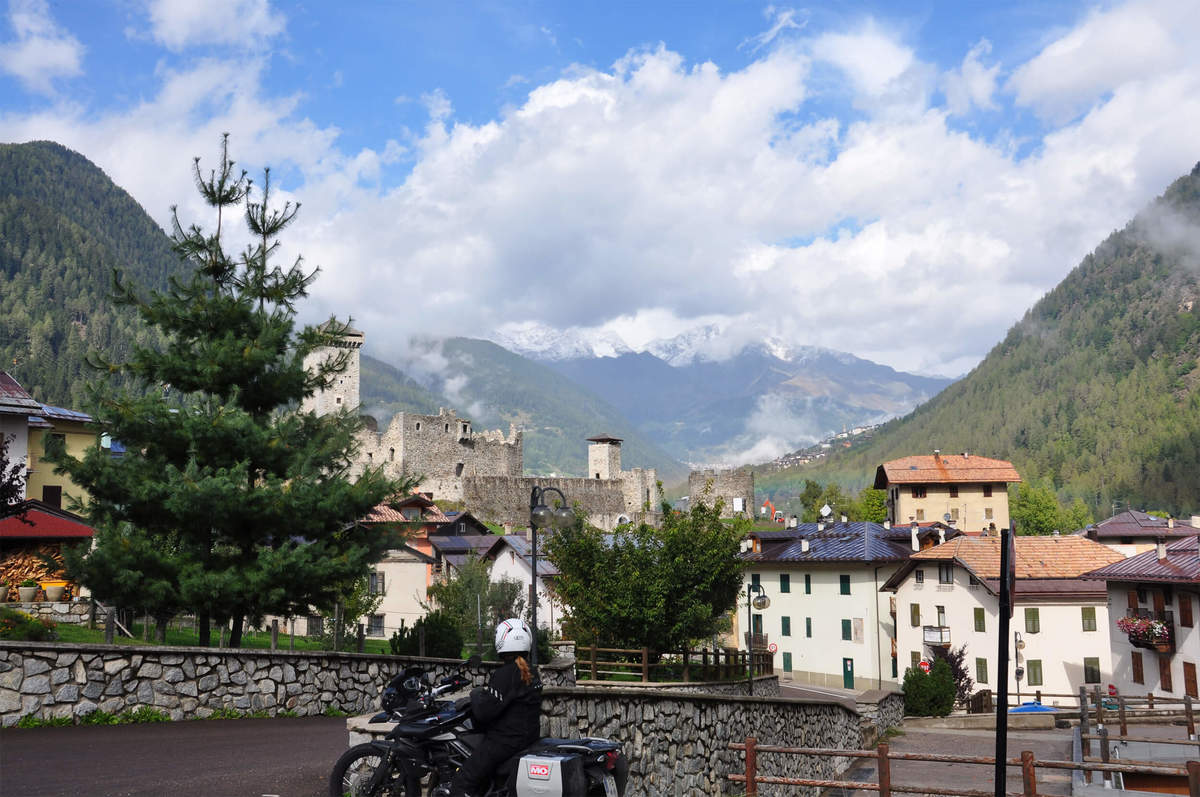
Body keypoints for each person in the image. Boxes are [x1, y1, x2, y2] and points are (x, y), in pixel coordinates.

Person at [447, 618, 543, 797]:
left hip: (506, 740)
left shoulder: (505, 674)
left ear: (502, 640)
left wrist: (475, 694)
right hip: (528, 737)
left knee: (462, 782)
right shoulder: (530, 670)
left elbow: (485, 712)